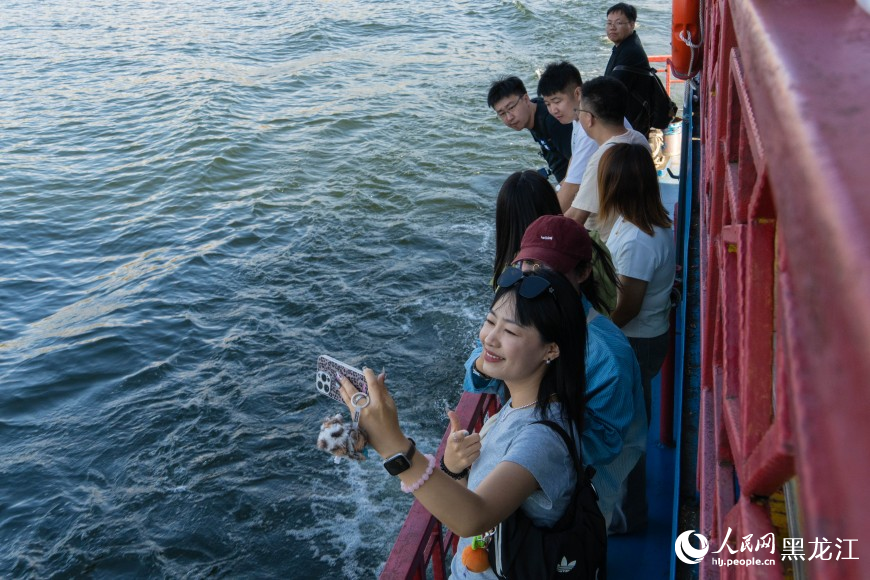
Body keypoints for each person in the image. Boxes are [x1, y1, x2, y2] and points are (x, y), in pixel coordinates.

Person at [337, 267, 594, 578]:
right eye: (490, 322)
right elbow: (475, 502)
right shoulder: (518, 407)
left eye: (510, 332)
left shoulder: (542, 439)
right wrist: (455, 468)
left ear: (551, 349)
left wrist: (392, 444)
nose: (489, 338)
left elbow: (474, 517)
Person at [465, 215, 647, 533]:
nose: (536, 279)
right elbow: (475, 376)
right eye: (529, 265)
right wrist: (488, 362)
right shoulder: (517, 314)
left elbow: (605, 444)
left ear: (584, 272)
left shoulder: (607, 354)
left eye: (550, 270)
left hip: (582, 486)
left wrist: (528, 451)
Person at [598, 143, 676, 424]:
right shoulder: (640, 221)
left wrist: (594, 332)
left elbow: (627, 308)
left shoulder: (637, 241)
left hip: (638, 340)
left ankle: (632, 467)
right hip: (645, 335)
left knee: (631, 418)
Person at [537, 62, 633, 214]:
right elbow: (574, 162)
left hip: (620, 210)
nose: (553, 110)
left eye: (557, 101)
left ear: (577, 93)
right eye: (547, 104)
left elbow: (572, 188)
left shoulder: (590, 125)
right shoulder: (580, 115)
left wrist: (542, 226)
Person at [566, 76, 651, 242]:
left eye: (580, 111)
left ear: (589, 118)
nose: (579, 116)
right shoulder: (638, 139)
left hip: (607, 247)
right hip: (637, 234)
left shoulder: (603, 157)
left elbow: (575, 218)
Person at [487, 76, 574, 183]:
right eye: (502, 113)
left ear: (526, 99)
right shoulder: (533, 114)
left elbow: (579, 166)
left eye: (511, 108)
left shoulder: (554, 122)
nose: (509, 117)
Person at [603, 3, 655, 136]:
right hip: (630, 120)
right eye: (609, 23)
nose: (612, 27)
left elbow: (610, 89)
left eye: (618, 23)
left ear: (631, 25)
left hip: (632, 126)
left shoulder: (630, 52)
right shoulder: (625, 45)